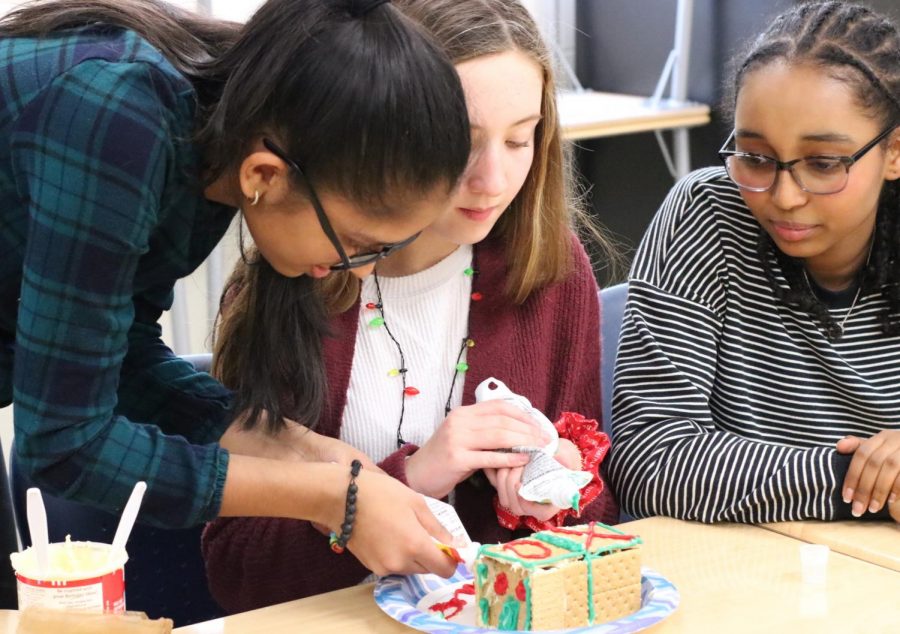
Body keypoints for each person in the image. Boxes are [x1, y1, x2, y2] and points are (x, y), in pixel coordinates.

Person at [0, 0, 474, 579]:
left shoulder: (221, 135)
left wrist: (300, 447)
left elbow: (119, 358)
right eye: (358, 242)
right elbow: (67, 444)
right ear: (265, 176)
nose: (361, 271)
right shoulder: (119, 118)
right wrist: (329, 498)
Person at [202, 0, 620, 613]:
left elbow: (596, 531)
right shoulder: (294, 275)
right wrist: (412, 478)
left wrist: (552, 495)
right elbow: (236, 569)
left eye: (519, 139)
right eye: (464, 143)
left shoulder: (549, 270)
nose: (494, 180)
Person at [608, 0, 900, 525]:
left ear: (895, 151)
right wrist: (866, 481)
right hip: (739, 577)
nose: (784, 197)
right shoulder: (708, 215)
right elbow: (648, 459)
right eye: (756, 158)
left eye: (824, 163)